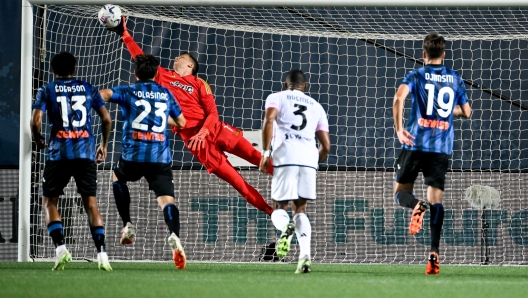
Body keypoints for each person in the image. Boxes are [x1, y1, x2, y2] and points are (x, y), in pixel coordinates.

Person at [107, 17, 274, 216]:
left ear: (190, 66)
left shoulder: (199, 83)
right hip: (198, 145)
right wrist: (125, 35)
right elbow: (140, 58)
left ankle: (293, 180)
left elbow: (213, 113)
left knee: (258, 158)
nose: (176, 58)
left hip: (217, 130)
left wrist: (203, 132)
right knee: (239, 185)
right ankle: (273, 213)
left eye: (181, 57)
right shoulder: (163, 76)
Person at [393, 33, 472, 275]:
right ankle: (434, 253)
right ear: (444, 55)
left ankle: (417, 205)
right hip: (440, 149)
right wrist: (447, 114)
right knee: (437, 200)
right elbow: (467, 112)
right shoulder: (455, 78)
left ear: (424, 54)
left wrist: (399, 130)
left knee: (401, 194)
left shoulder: (416, 75)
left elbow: (398, 98)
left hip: (415, 143)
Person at [99, 54, 187, 269]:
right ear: (157, 74)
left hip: (133, 156)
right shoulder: (166, 93)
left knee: (118, 176)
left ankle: (127, 224)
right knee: (167, 201)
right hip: (160, 158)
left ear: (135, 73)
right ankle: (174, 235)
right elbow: (182, 123)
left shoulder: (127, 91)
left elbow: (103, 95)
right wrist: (160, 118)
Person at [30, 52, 113, 271]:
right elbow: (106, 118)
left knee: (49, 202)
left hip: (59, 154)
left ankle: (60, 249)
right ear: (74, 69)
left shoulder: (47, 89)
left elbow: (36, 120)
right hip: (85, 154)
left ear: (53, 70)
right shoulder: (88, 88)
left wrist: (37, 138)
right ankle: (102, 254)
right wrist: (103, 145)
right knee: (91, 205)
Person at [259, 69, 331, 274]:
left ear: (285, 84)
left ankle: (285, 228)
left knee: (279, 206)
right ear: (305, 87)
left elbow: (269, 120)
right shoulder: (317, 106)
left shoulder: (276, 97)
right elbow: (326, 146)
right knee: (300, 209)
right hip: (309, 158)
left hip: (285, 156)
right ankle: (305, 256)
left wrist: (265, 153)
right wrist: (312, 161)